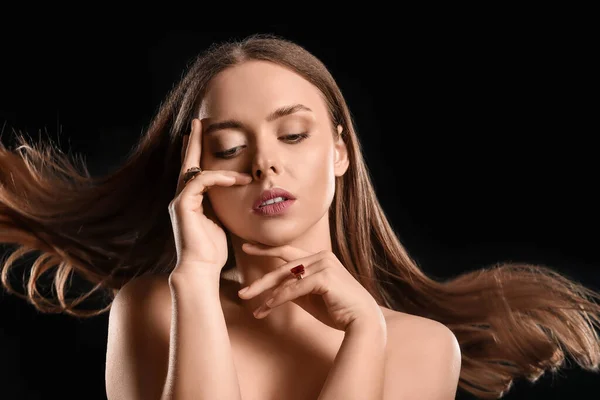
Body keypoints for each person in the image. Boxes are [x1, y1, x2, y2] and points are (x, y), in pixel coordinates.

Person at [1, 33, 599, 400]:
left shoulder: (424, 349)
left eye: (292, 134)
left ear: (340, 151)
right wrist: (198, 279)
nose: (265, 164)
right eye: (230, 148)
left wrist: (366, 336)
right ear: (194, 175)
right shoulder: (156, 310)